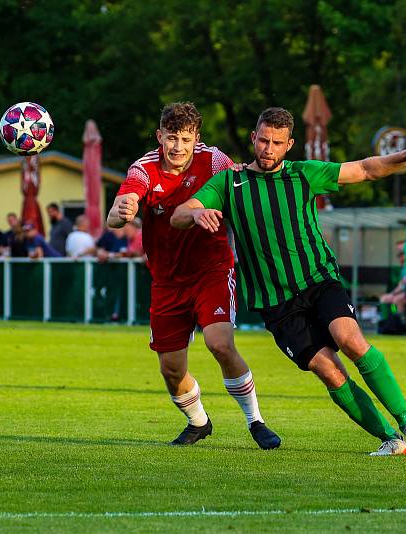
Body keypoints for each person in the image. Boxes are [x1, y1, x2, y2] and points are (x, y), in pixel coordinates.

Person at [171, 106, 406, 456]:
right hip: (275, 302)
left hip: (317, 279)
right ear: (254, 138)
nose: (268, 148)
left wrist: (404, 155)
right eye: (263, 140)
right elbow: (178, 215)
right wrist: (197, 211)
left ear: (289, 145)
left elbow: (366, 169)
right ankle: (391, 438)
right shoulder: (229, 182)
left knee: (350, 339)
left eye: (277, 143)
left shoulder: (305, 174)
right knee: (328, 370)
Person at [107, 101, 280, 449]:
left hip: (211, 270)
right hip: (167, 280)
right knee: (171, 370)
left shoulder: (214, 160)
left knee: (220, 343)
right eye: (171, 138)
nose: (178, 147)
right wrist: (120, 211)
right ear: (160, 136)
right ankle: (199, 422)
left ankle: (255, 421)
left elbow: (242, 187)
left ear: (196, 138)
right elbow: (118, 211)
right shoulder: (144, 169)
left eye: (186, 139)